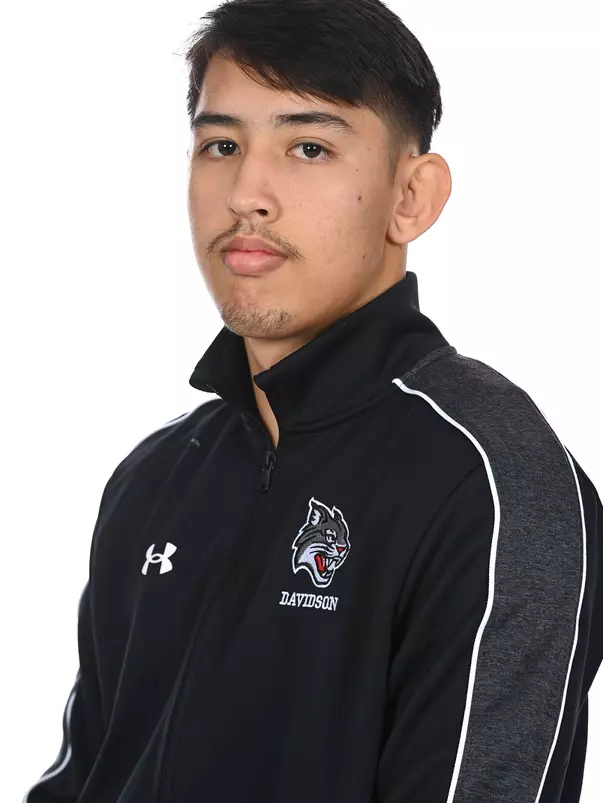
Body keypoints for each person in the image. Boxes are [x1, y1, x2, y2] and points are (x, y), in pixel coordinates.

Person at [23, 1, 602, 801]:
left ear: (411, 196)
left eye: (308, 147)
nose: (246, 194)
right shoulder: (154, 477)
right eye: (221, 145)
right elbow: (84, 777)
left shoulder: (494, 484)